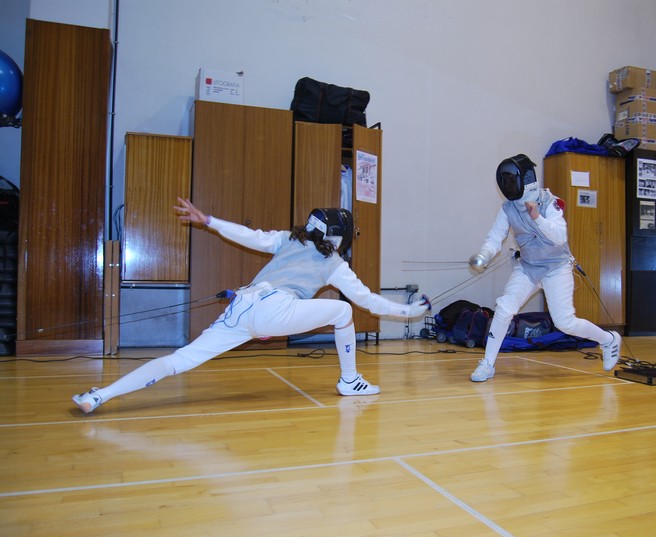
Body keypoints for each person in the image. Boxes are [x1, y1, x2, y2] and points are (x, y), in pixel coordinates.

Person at [72, 198, 430, 413]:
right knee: (345, 310)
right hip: (275, 310)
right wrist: (411, 311)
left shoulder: (288, 240)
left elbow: (250, 235)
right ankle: (349, 380)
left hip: (241, 308)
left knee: (181, 359)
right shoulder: (334, 263)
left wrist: (208, 220)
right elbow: (368, 300)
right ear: (339, 237)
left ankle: (99, 396)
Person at [467, 154, 621, 382]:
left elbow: (560, 236)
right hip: (528, 268)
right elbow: (494, 238)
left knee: (565, 322)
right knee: (504, 308)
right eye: (505, 180)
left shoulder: (549, 202)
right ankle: (488, 364)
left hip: (556, 268)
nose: (508, 185)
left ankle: (609, 339)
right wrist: (483, 255)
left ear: (524, 179)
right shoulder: (508, 208)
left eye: (511, 179)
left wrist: (537, 217)